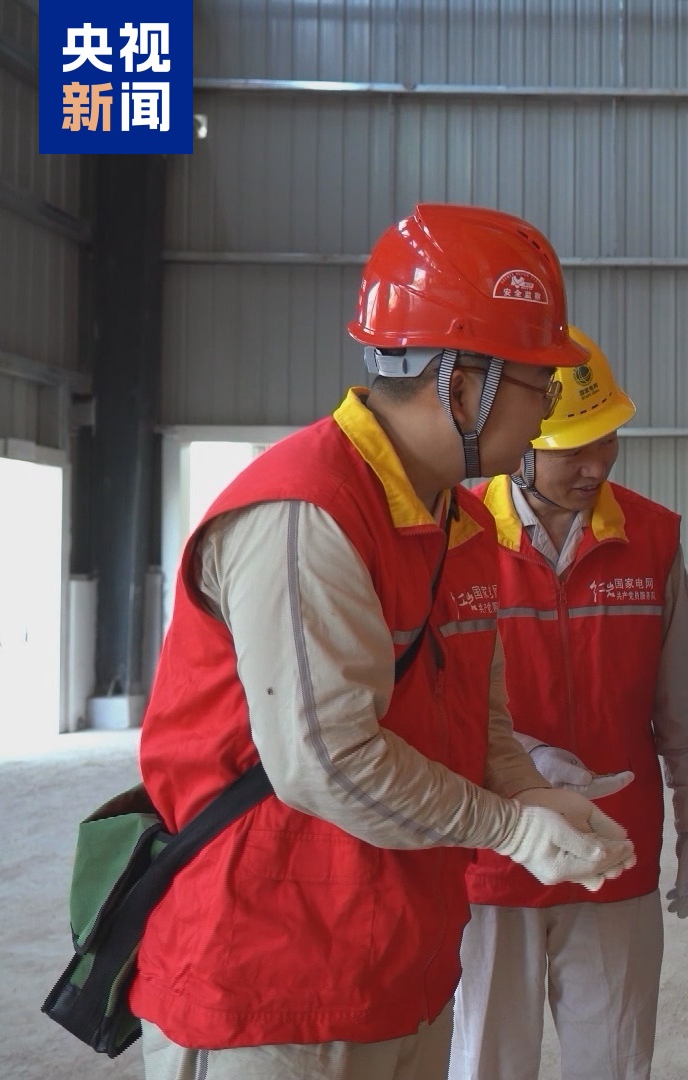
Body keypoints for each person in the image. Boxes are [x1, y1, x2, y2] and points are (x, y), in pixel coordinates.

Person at [132, 204, 637, 1080]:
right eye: (541, 385)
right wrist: (509, 830)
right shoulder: (307, 515)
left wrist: (534, 798)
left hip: (400, 971)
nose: (550, 411)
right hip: (271, 987)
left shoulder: (458, 523)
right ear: (463, 381)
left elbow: (480, 725)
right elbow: (322, 761)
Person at [451, 335, 688, 1080]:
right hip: (493, 853)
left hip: (616, 847)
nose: (596, 465)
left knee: (611, 1059)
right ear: (517, 448)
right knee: (487, 1061)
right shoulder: (458, 535)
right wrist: (526, 759)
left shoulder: (649, 536)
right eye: (573, 449)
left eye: (606, 442)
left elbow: (687, 699)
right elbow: (428, 698)